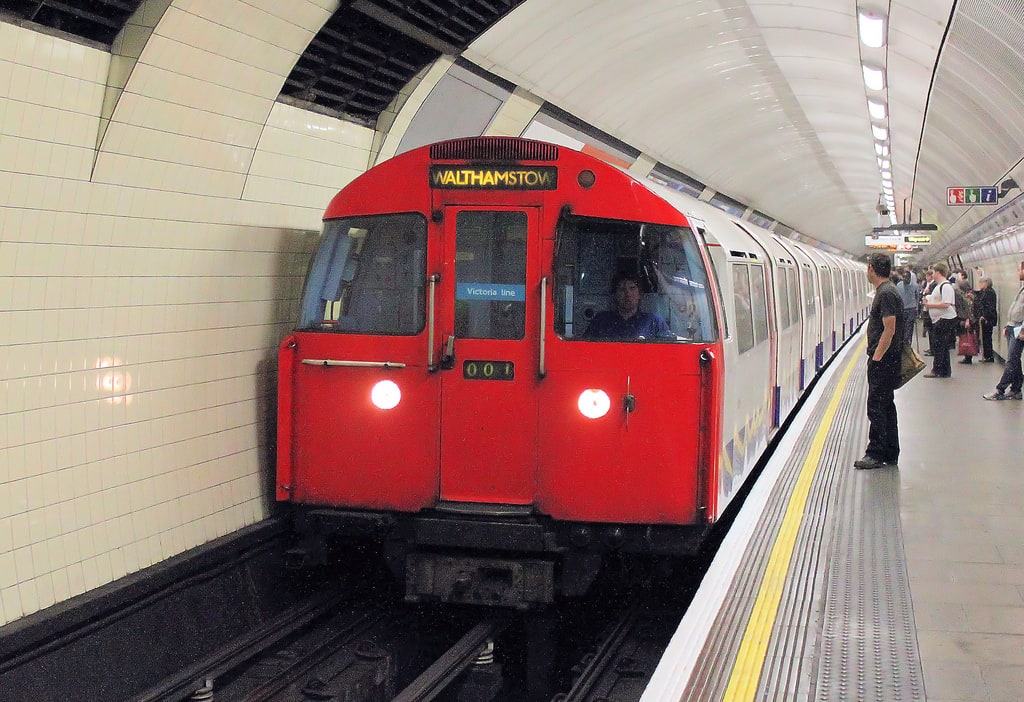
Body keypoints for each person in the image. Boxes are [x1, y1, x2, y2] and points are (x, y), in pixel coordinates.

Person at [855, 254, 904, 470]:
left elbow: (889, 329)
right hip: (887, 359)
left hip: (884, 360)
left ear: (872, 269)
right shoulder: (888, 291)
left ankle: (875, 453)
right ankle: (890, 452)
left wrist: (876, 358)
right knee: (885, 405)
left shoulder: (886, 293)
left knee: (877, 406)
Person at [584, 271, 673, 339]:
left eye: (632, 288)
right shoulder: (601, 321)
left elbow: (669, 351)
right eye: (622, 289)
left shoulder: (654, 322)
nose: (628, 294)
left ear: (639, 294)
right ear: (615, 294)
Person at [982, 260, 1024, 400]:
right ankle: (1016, 389)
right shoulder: (1022, 287)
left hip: (1020, 328)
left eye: (1019, 270)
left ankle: (1000, 390)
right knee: (1015, 361)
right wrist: (1008, 325)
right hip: (1014, 326)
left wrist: (1022, 329)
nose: (1018, 273)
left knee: (1011, 360)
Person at [922, 261, 957, 378]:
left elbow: (946, 304)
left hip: (945, 319)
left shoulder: (946, 286)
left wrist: (930, 306)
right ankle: (944, 371)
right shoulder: (940, 286)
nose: (932, 275)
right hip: (940, 319)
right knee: (942, 346)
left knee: (939, 345)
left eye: (934, 272)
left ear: (938, 272)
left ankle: (937, 370)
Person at [974, 276, 998, 362]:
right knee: (986, 337)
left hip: (988, 319)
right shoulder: (989, 292)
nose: (980, 285)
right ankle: (987, 355)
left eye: (981, 283)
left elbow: (988, 306)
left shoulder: (988, 293)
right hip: (989, 318)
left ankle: (988, 356)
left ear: (985, 283)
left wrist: (985, 316)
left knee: (986, 337)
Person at [896, 268, 919, 345]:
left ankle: (907, 343)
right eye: (904, 277)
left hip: (911, 309)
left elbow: (917, 297)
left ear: (910, 278)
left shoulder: (915, 286)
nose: (905, 279)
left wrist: (917, 309)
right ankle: (902, 342)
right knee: (901, 327)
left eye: (907, 277)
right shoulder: (899, 285)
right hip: (901, 309)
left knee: (909, 327)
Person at [957, 277, 977, 364]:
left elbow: (969, 309)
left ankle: (968, 355)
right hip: (971, 319)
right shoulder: (971, 295)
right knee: (969, 336)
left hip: (969, 319)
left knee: (967, 337)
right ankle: (968, 355)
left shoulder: (968, 297)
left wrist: (967, 320)